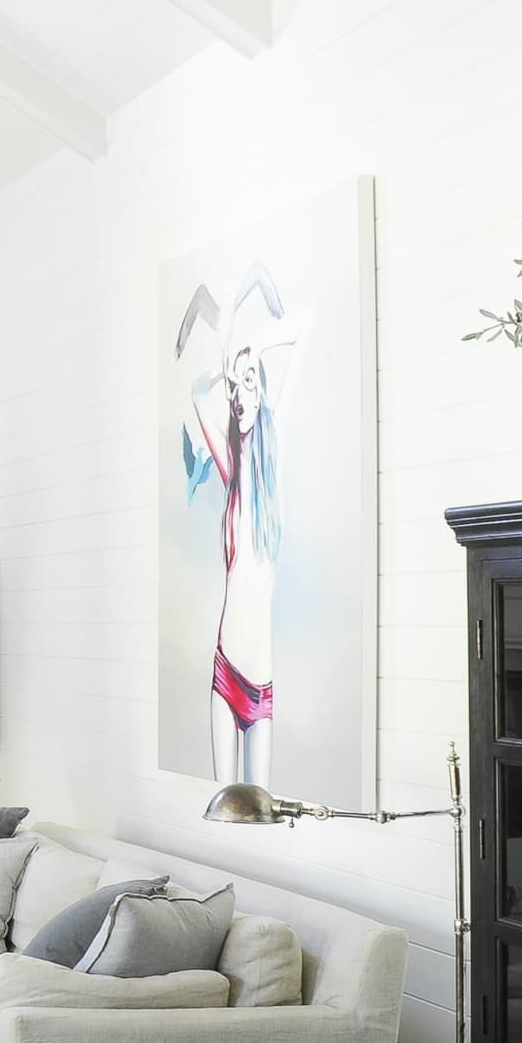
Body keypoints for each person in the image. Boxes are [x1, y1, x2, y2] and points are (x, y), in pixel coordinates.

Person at [176, 264, 301, 787]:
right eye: (236, 385)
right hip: (225, 670)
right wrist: (228, 353)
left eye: (251, 382)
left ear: (264, 393)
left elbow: (301, 326)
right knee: (222, 808)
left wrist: (258, 302)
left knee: (262, 811)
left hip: (263, 684)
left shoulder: (271, 480)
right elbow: (199, 394)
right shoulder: (231, 478)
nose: (240, 392)